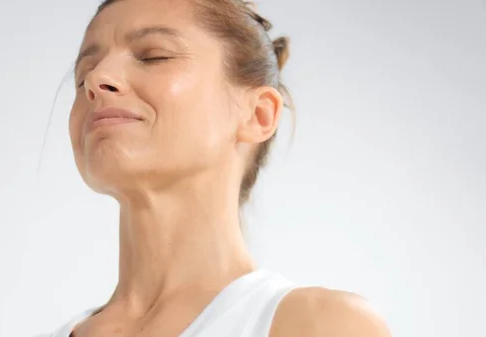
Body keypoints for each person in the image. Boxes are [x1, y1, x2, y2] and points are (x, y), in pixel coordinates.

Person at [46, 0, 392, 336]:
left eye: (154, 56)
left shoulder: (322, 327)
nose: (97, 79)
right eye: (82, 76)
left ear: (258, 114)